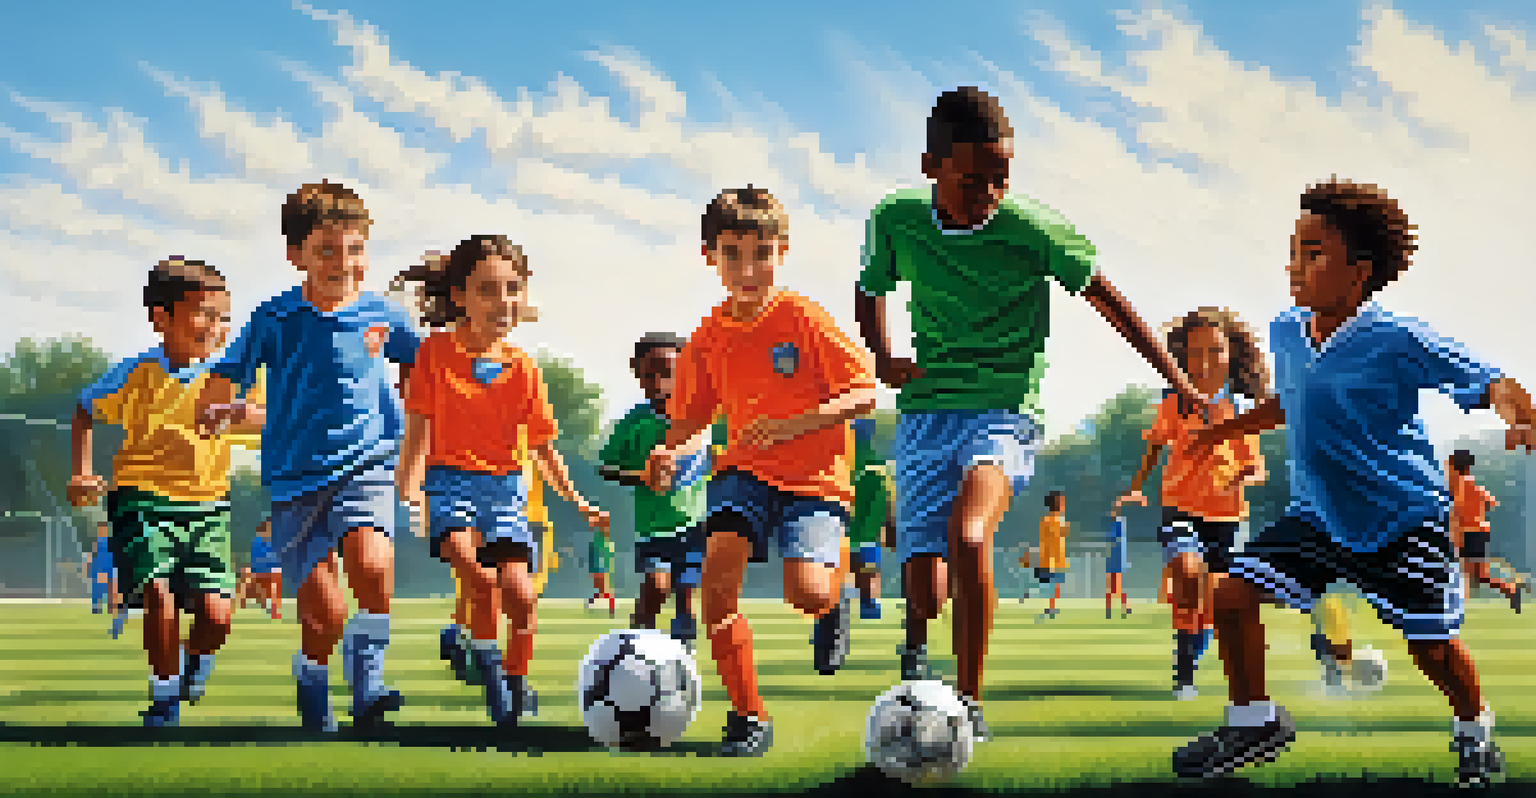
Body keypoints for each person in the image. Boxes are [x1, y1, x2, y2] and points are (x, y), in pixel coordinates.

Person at [853, 86, 1202, 739]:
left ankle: (967, 703)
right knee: (927, 592)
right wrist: (883, 353)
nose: (989, 193)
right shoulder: (896, 218)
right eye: (973, 180)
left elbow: (1109, 298)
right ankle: (914, 606)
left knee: (971, 535)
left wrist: (1176, 377)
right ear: (931, 168)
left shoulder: (1033, 228)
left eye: (1001, 179)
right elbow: (871, 288)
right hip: (927, 411)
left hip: (1005, 410)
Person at [1173, 178, 1535, 788]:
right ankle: (1253, 720)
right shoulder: (1287, 332)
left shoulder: (1396, 339)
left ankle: (1474, 729)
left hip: (1401, 519)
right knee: (1230, 595)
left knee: (1434, 651)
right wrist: (1223, 430)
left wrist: (1520, 413)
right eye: (1293, 251)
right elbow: (1296, 401)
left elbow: (1488, 379)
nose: (1295, 266)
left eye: (1314, 254)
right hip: (1316, 516)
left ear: (1359, 271)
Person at [646, 185, 874, 756]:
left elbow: (864, 392)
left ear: (782, 250)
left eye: (762, 253)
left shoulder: (805, 319)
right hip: (742, 473)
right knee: (716, 591)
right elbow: (692, 420)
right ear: (710, 256)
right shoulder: (705, 339)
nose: (748, 268)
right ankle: (749, 717)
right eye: (732, 253)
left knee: (807, 593)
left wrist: (796, 424)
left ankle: (835, 596)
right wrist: (668, 452)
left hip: (815, 482)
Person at [200, 181, 418, 732]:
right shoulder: (273, 320)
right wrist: (218, 409)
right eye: (326, 250)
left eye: (354, 250)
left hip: (368, 467)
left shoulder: (384, 317)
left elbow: (425, 371)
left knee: (373, 565)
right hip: (297, 482)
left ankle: (368, 689)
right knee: (325, 614)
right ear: (296, 253)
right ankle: (312, 676)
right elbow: (225, 383)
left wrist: (416, 441)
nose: (342, 263)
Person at [396, 234, 610, 727]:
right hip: (448, 486)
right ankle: (494, 679)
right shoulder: (434, 354)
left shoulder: (525, 370)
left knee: (520, 592)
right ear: (460, 297)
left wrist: (575, 499)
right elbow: (419, 429)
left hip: (505, 493)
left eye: (513, 288)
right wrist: (409, 492)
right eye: (488, 290)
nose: (504, 301)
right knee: (478, 579)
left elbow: (541, 447)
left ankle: (515, 676)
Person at [69, 257, 263, 726]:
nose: (215, 327)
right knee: (158, 594)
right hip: (142, 501)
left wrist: (237, 413)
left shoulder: (234, 375)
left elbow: (267, 418)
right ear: (161, 317)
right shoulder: (137, 373)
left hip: (209, 507)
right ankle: (164, 697)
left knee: (218, 617)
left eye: (223, 318)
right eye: (203, 314)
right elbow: (84, 409)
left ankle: (195, 660)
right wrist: (81, 473)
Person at [1118, 307, 1270, 699]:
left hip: (1229, 519)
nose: (1204, 362)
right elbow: (1153, 447)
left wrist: (1242, 476)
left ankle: (1192, 651)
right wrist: (1137, 487)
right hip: (1180, 510)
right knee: (1187, 573)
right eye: (1194, 352)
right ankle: (1183, 674)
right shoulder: (1173, 403)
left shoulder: (1240, 408)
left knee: (1215, 603)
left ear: (1230, 355)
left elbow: (1256, 467)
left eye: (1215, 351)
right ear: (1180, 358)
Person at [598, 332, 709, 644]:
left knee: (688, 597)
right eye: (649, 374)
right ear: (637, 372)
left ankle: (683, 659)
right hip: (653, 529)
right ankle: (629, 653)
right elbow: (606, 466)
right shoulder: (635, 422)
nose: (658, 382)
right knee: (656, 589)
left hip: (698, 526)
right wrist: (643, 477)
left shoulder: (707, 419)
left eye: (667, 373)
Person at [1447, 450, 1525, 612]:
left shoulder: (1458, 483)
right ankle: (1510, 589)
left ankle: (1457, 606)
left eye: (1449, 463)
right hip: (1480, 530)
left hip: (1466, 532)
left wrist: (1457, 532)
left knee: (1464, 571)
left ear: (1455, 465)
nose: (1447, 466)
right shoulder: (1473, 483)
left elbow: (1456, 508)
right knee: (1479, 574)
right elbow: (1492, 502)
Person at [848, 417, 894, 621]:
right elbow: (887, 501)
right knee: (868, 571)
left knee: (836, 574)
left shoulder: (841, 463)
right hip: (869, 532)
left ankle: (829, 620)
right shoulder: (879, 466)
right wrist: (888, 526)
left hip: (842, 530)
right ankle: (870, 606)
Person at [1035, 492, 1069, 620]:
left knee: (1055, 585)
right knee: (1050, 585)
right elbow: (1055, 537)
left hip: (1056, 558)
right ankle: (1049, 607)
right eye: (1061, 502)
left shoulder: (1054, 520)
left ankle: (1052, 606)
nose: (1063, 505)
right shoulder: (1051, 520)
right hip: (1051, 559)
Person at [239, 520, 283, 619]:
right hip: (257, 573)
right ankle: (242, 604)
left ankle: (273, 610)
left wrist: (275, 569)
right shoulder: (256, 542)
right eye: (268, 529)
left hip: (268, 574)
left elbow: (275, 562)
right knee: (247, 575)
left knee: (275, 581)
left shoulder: (274, 544)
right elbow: (254, 560)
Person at [1104, 505, 1131, 620]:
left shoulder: (1116, 526)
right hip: (1116, 559)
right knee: (1115, 587)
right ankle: (1118, 609)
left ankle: (1114, 610)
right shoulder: (1118, 525)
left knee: (1114, 587)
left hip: (1115, 559)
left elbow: (1115, 541)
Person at [86, 522, 118, 616]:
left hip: (110, 567)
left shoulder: (111, 542)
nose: (103, 531)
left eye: (104, 529)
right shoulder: (95, 543)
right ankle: (96, 607)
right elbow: (91, 555)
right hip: (99, 567)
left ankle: (111, 607)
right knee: (97, 588)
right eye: (101, 529)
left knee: (111, 588)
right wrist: (90, 567)